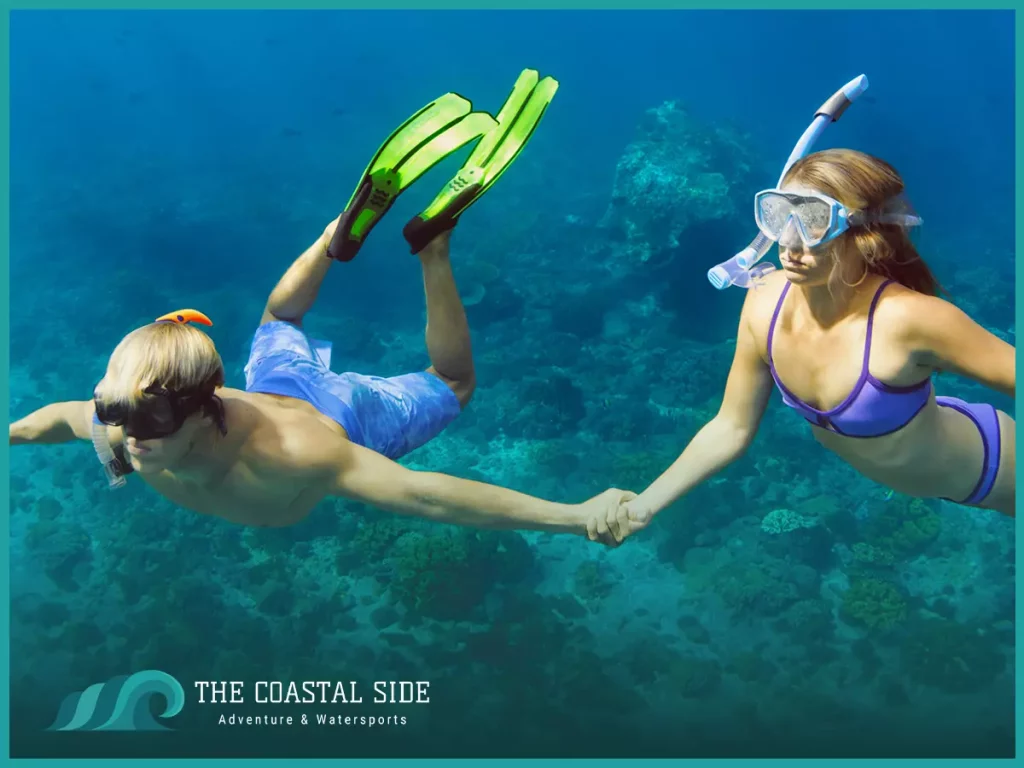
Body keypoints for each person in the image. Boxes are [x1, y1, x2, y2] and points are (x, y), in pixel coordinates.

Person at [9, 71, 634, 544]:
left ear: (204, 410)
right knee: (278, 322)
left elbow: (428, 497)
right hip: (278, 383)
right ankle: (335, 235)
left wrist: (575, 517)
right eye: (114, 409)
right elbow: (53, 422)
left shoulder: (297, 455)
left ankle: (432, 249)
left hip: (334, 412)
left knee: (455, 383)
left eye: (148, 419)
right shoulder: (124, 419)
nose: (128, 435)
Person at [589, 148, 1016, 546]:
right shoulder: (762, 301)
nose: (790, 243)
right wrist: (644, 505)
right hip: (935, 461)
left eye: (813, 221)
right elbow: (731, 427)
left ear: (865, 232)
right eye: (777, 215)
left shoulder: (910, 320)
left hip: (992, 468)